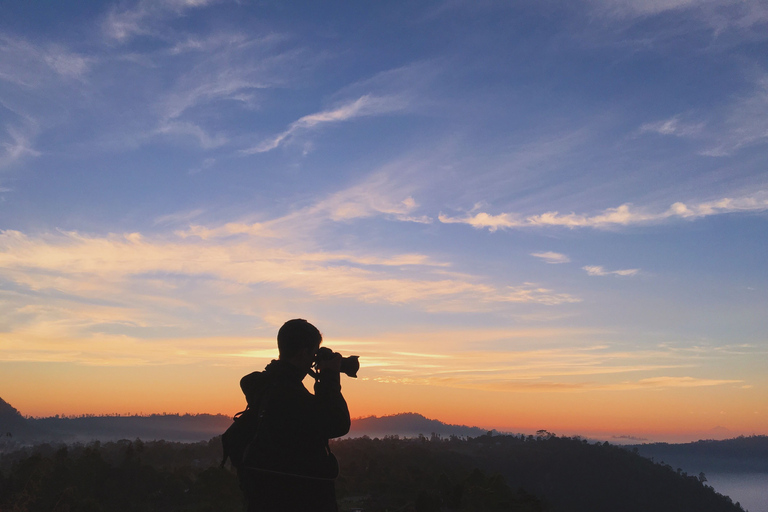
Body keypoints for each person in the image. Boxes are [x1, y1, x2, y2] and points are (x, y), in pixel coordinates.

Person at [237, 319, 351, 512]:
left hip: (265, 497)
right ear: (303, 353)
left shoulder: (266, 385)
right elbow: (337, 423)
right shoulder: (287, 394)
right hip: (299, 498)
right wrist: (329, 378)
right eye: (314, 353)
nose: (314, 360)